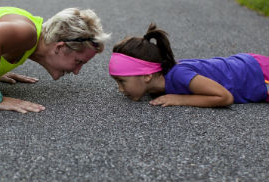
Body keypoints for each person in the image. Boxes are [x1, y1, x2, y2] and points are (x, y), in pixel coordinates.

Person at [109, 23, 269, 108]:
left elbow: (225, 97)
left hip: (258, 74)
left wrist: (180, 99)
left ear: (147, 75)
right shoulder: (157, 84)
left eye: (122, 81)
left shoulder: (179, 75)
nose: (120, 89)